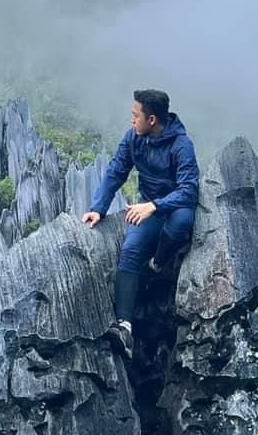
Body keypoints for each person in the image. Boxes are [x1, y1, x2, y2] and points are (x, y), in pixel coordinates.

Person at [82, 89, 199, 357]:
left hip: (172, 208)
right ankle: (124, 327)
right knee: (130, 249)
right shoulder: (134, 139)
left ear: (153, 120)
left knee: (182, 222)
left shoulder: (182, 146)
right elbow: (116, 171)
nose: (131, 120)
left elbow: (189, 191)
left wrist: (155, 205)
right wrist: (97, 208)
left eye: (136, 116)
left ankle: (158, 264)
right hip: (149, 210)